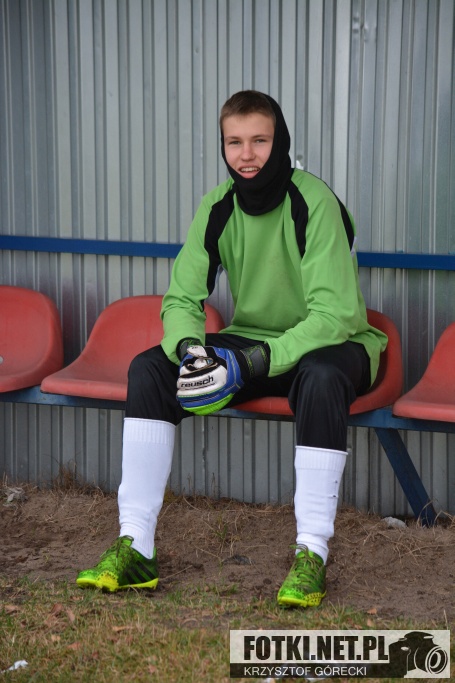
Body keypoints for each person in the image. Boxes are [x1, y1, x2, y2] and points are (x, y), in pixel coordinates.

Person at [76, 90, 387, 607]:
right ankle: (136, 546)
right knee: (150, 369)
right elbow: (182, 297)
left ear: (280, 141)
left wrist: (253, 361)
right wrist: (191, 349)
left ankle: (311, 554)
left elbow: (334, 315)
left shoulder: (314, 201)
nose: (247, 155)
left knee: (321, 377)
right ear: (222, 146)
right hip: (255, 343)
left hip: (338, 343)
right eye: (234, 142)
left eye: (259, 141)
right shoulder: (218, 206)